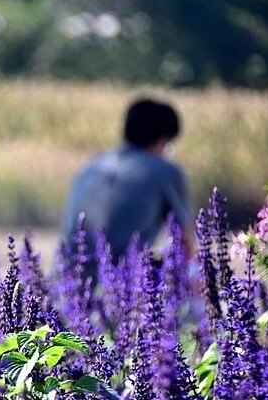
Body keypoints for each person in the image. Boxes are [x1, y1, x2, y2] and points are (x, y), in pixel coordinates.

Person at [60, 98, 194, 280]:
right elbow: (184, 246)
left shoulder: (92, 166)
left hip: (67, 278)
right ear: (162, 139)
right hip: (119, 283)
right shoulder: (164, 171)